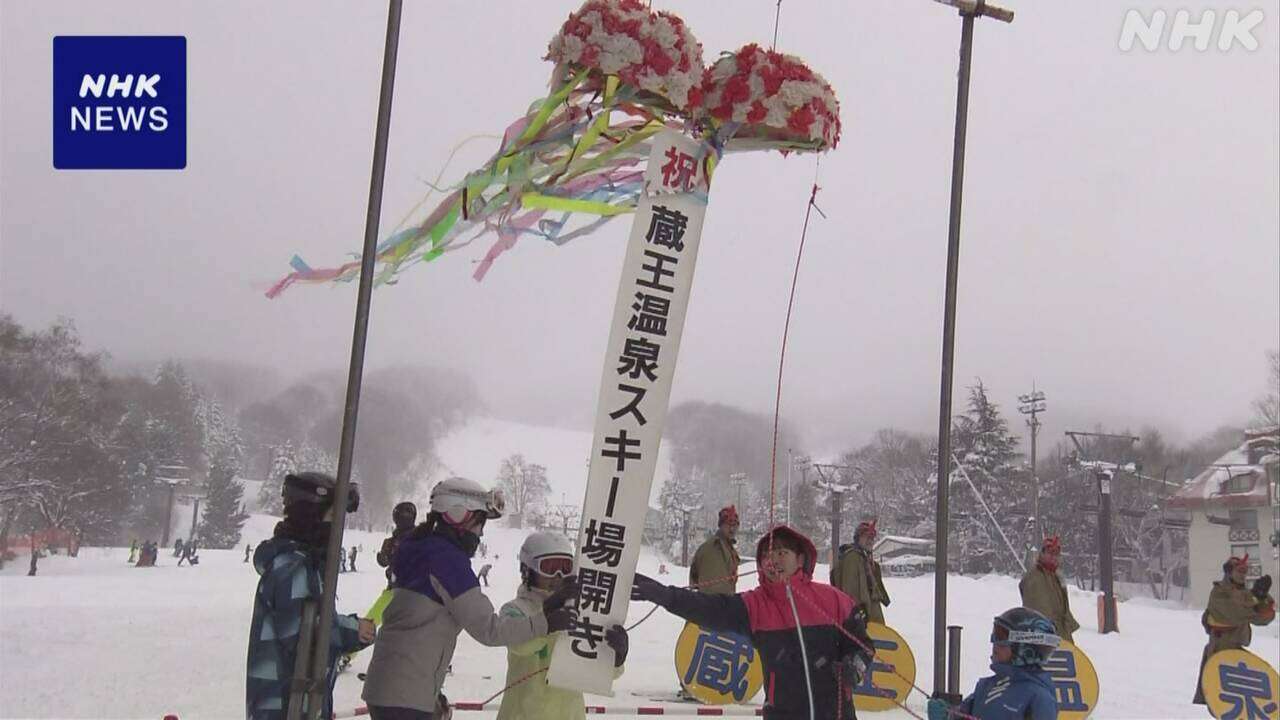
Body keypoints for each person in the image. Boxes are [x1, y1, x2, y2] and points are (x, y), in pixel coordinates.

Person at [362, 477, 578, 720]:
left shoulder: (421, 547)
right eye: (479, 522)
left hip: (395, 687)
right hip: (405, 695)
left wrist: (430, 693)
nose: (481, 532)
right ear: (457, 514)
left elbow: (418, 629)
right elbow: (490, 629)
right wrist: (546, 621)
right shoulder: (446, 560)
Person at [633, 524, 874, 720]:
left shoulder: (834, 600)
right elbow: (710, 608)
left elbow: (863, 646)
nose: (774, 560)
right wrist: (666, 596)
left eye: (782, 553)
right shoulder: (755, 605)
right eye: (768, 555)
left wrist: (856, 665)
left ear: (800, 559)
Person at [246, 472, 375, 720]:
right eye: (331, 519)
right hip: (286, 708)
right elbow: (303, 638)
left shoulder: (304, 563)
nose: (335, 529)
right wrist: (353, 630)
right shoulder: (292, 568)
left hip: (299, 703)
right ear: (310, 517)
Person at [496, 531, 628, 720]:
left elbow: (595, 669)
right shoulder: (515, 610)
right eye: (550, 567)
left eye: (565, 567)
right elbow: (520, 646)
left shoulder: (581, 611)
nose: (558, 576)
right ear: (528, 570)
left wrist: (615, 658)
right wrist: (548, 620)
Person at [926, 607, 1060, 720]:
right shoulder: (986, 686)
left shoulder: (1039, 698)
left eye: (1001, 637)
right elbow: (964, 715)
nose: (994, 642)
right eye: (995, 633)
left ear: (1024, 648)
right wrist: (948, 715)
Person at [1192, 555, 1275, 704]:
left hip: (1237, 653)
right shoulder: (1219, 592)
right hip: (1219, 651)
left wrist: (1263, 598)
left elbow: (1264, 619)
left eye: (1245, 571)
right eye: (1240, 570)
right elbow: (1235, 613)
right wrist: (1255, 598)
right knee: (1222, 700)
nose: (1243, 574)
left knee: (1242, 702)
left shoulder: (1246, 595)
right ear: (1229, 572)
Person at [1019, 536, 1079, 644]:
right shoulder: (1033, 578)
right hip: (1043, 639)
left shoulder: (1057, 576)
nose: (1054, 557)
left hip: (1061, 636)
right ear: (1042, 553)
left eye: (1056, 553)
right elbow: (1034, 613)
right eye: (1050, 553)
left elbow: (1063, 610)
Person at [831, 519, 890, 625]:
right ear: (858, 538)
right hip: (860, 618)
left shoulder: (867, 560)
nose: (870, 541)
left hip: (872, 616)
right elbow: (849, 589)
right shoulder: (852, 557)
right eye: (866, 537)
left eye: (872, 538)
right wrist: (857, 613)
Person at [690, 505, 741, 595]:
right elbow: (694, 579)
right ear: (721, 525)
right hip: (711, 604)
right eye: (729, 524)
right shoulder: (710, 548)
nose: (732, 528)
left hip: (726, 603)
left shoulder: (731, 550)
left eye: (735, 525)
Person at [377, 502, 418, 585]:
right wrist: (383, 558)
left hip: (411, 588)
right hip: (394, 587)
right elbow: (385, 562)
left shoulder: (418, 540)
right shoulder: (392, 541)